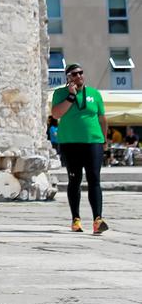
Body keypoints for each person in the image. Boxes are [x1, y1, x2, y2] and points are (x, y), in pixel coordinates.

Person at [48, 64, 109, 235]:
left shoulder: (94, 94)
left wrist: (104, 139)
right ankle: (76, 219)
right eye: (74, 74)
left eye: (81, 73)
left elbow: (102, 118)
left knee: (94, 179)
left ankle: (98, 219)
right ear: (68, 77)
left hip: (93, 142)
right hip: (70, 143)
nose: (79, 76)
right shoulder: (60, 93)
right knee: (74, 180)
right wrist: (71, 96)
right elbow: (56, 114)